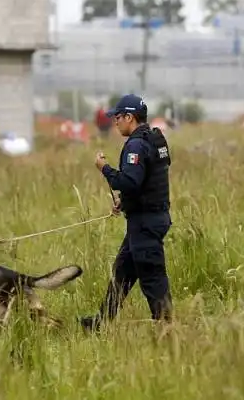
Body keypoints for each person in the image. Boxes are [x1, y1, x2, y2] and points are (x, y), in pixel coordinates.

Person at [80, 93, 174, 332]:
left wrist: (105, 169)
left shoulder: (136, 145)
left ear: (130, 117)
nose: (115, 122)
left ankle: (167, 330)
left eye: (118, 117)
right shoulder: (154, 139)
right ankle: (100, 324)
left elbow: (129, 181)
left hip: (146, 223)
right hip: (148, 217)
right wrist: (126, 202)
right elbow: (147, 181)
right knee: (121, 275)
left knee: (153, 278)